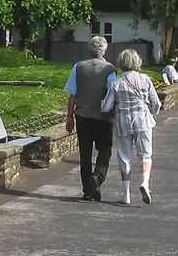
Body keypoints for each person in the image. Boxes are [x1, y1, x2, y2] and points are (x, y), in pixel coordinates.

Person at [102, 48, 162, 206]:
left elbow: (106, 107)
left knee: (124, 157)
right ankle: (145, 182)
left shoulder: (116, 82)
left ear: (121, 63)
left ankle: (126, 194)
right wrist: (153, 113)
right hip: (143, 121)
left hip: (123, 122)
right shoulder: (145, 79)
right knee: (145, 155)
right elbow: (156, 103)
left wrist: (103, 104)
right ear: (137, 62)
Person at [63, 36, 116, 201]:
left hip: (82, 115)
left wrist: (69, 116)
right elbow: (112, 92)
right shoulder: (109, 69)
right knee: (105, 149)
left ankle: (87, 189)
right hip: (103, 117)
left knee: (85, 153)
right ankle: (97, 177)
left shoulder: (78, 67)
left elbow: (73, 94)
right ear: (104, 50)